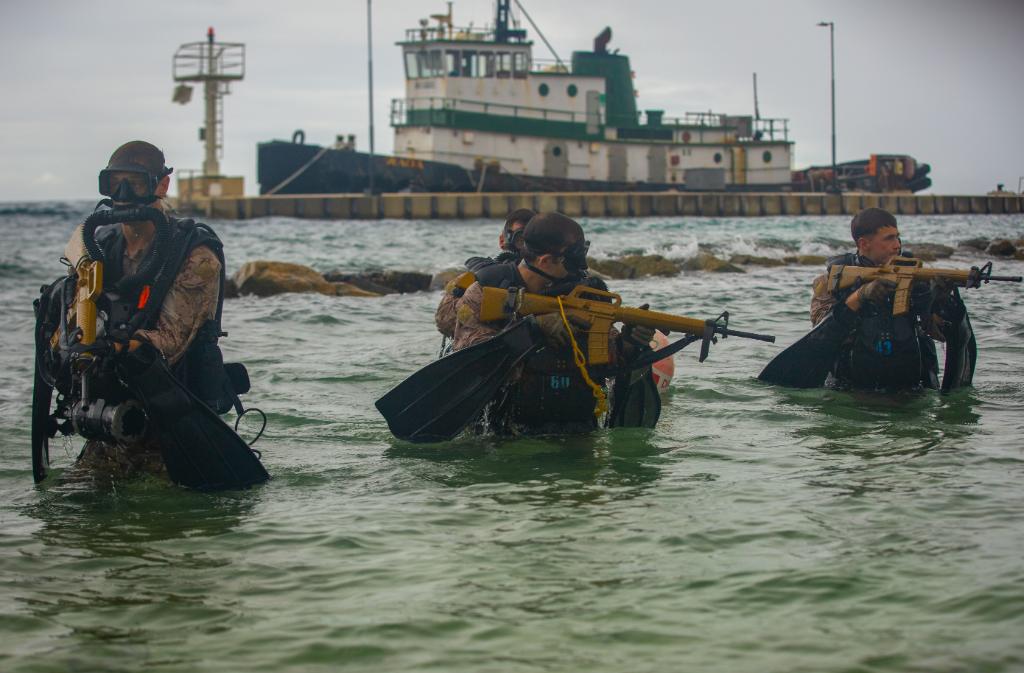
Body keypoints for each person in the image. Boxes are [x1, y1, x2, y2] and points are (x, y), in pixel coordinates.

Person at [35, 140, 265, 486]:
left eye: (135, 183)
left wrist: (111, 346)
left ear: (161, 185)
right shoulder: (97, 248)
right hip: (112, 427)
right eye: (114, 183)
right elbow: (74, 320)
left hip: (173, 427)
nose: (123, 194)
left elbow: (170, 341)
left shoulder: (195, 255)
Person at [451, 212, 654, 434]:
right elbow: (471, 365)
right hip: (502, 435)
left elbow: (606, 363)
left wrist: (630, 343)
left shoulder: (583, 294)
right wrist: (534, 329)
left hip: (576, 433)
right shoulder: (487, 291)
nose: (577, 271)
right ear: (546, 261)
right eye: (570, 261)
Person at [808, 207, 957, 390]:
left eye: (897, 237)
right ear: (864, 244)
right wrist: (861, 296)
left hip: (910, 389)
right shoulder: (831, 282)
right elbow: (822, 336)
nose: (897, 245)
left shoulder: (914, 278)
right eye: (889, 238)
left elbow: (940, 334)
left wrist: (940, 300)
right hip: (851, 390)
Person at [434, 208, 534, 340]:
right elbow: (446, 320)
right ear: (502, 240)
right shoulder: (485, 272)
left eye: (531, 241)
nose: (526, 248)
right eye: (520, 239)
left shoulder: (549, 273)